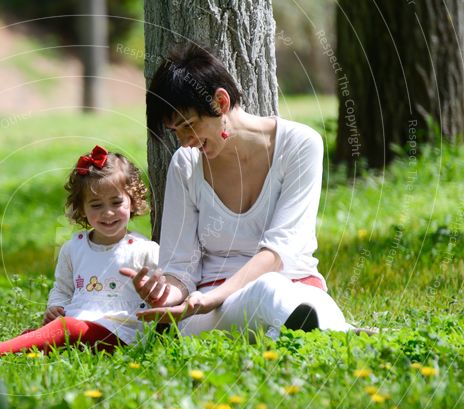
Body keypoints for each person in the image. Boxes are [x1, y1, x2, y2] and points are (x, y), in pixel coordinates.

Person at [120, 44, 351, 339]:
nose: (185, 142)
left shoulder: (300, 145)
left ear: (221, 102)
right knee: (271, 292)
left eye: (189, 126)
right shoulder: (187, 165)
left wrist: (211, 298)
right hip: (213, 310)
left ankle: (297, 332)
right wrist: (164, 292)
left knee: (297, 300)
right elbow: (180, 266)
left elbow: (281, 249)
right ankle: (321, 332)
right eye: (176, 132)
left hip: (295, 286)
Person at [0, 145, 159, 359]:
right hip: (77, 324)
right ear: (81, 209)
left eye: (116, 202)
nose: (108, 212)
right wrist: (56, 306)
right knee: (40, 335)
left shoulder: (144, 249)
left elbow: (163, 293)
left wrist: (154, 294)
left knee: (67, 329)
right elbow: (62, 288)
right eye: (96, 205)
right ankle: (16, 350)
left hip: (120, 333)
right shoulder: (74, 248)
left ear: (133, 201)